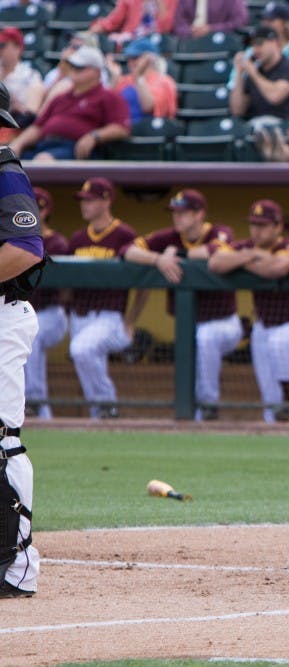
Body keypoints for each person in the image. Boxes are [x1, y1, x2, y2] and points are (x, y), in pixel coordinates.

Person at [123, 189, 242, 421]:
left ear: (199, 214)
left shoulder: (219, 231)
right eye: (174, 212)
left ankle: (208, 406)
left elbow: (217, 250)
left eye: (183, 212)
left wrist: (179, 253)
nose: (176, 217)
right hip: (189, 325)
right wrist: (158, 259)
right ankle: (196, 414)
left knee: (206, 338)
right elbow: (127, 251)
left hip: (224, 323)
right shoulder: (168, 237)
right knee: (193, 355)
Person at [207, 199, 289, 423]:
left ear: (278, 226)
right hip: (264, 326)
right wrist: (251, 256)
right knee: (270, 398)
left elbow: (278, 268)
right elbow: (215, 263)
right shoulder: (246, 247)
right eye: (253, 224)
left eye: (263, 225)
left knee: (280, 343)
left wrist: (242, 261)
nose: (256, 230)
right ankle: (277, 426)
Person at [0, 82, 43, 597]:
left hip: (4, 314)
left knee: (3, 441)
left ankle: (16, 567)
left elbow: (27, 247)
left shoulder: (5, 172)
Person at [66, 177, 139, 419]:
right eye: (82, 200)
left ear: (107, 201)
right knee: (85, 357)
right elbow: (66, 283)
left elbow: (143, 283)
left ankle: (108, 405)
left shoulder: (125, 235)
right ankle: (101, 418)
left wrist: (131, 321)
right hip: (79, 314)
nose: (84, 204)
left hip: (109, 315)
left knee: (81, 350)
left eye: (90, 200)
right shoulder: (77, 239)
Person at [9, 46, 130, 161]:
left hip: (75, 149)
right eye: (72, 66)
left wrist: (94, 136)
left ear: (97, 71)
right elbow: (38, 127)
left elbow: (121, 128)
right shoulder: (60, 98)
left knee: (43, 159)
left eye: (79, 67)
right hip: (43, 145)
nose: (73, 70)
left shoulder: (108, 96)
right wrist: (18, 144)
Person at [24, 187, 69, 421]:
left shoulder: (57, 242)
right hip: (22, 312)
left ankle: (35, 401)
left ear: (45, 211)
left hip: (52, 313)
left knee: (33, 336)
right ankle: (39, 410)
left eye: (36, 208)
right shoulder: (14, 239)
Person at [230, 25, 289, 125]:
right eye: (252, 45)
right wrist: (239, 74)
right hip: (254, 125)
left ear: (274, 42)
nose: (255, 50)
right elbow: (237, 111)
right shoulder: (253, 72)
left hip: (285, 126)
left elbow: (275, 97)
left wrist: (253, 73)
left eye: (259, 44)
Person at [107, 36, 178, 123]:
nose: (130, 62)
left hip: (149, 127)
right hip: (121, 126)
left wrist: (139, 77)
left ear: (150, 59)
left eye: (135, 58)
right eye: (128, 58)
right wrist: (114, 78)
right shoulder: (125, 79)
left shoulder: (164, 82)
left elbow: (148, 107)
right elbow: (106, 105)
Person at [0, 27, 44, 138]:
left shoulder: (30, 75)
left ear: (18, 48)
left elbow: (31, 113)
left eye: (2, 46)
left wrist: (12, 102)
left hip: (14, 128)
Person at [89, 0, 178, 44]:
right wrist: (94, 30)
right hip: (131, 40)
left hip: (157, 41)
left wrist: (160, 3)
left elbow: (166, 26)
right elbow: (112, 22)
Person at [172, 0, 248, 39]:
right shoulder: (185, 1)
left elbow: (240, 21)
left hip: (220, 42)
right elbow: (178, 24)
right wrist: (191, 30)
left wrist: (211, 29)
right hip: (189, 42)